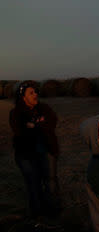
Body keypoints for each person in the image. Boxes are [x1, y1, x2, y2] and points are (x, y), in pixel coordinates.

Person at [9, 80, 62, 221]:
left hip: (48, 150)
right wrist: (41, 124)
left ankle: (54, 213)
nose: (35, 94)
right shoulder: (15, 113)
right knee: (34, 184)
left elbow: (52, 122)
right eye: (31, 93)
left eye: (35, 92)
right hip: (26, 154)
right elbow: (21, 132)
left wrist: (35, 125)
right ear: (23, 97)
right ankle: (37, 215)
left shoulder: (44, 108)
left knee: (51, 182)